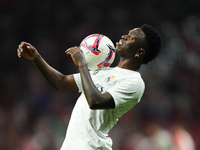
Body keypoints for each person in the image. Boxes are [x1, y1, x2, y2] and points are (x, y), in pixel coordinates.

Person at [17, 24, 162, 150]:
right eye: (127, 33)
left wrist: (83, 65)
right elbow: (60, 82)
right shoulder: (104, 70)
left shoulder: (135, 82)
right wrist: (36, 57)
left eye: (131, 37)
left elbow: (96, 102)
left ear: (140, 52)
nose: (124, 36)